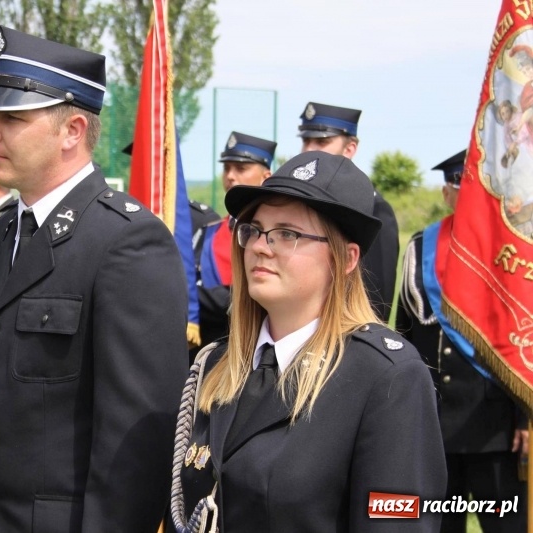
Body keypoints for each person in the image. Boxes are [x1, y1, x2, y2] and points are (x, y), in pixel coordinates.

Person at [0, 24, 189, 532]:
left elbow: (135, 449)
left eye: (11, 117)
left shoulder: (127, 243)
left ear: (73, 131)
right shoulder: (1, 234)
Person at [170, 151, 447, 532]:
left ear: (345, 259)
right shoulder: (215, 365)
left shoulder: (385, 378)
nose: (260, 246)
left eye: (288, 233)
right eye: (254, 229)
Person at [396, 150, 528, 533]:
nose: (467, 192)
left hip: (496, 427)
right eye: (459, 184)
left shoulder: (513, 251)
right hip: (433, 423)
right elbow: (404, 333)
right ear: (446, 193)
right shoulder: (420, 246)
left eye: (476, 184)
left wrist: (526, 418)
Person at [298, 101, 400, 322]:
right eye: (306, 141)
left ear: (349, 149)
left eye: (322, 142)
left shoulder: (375, 211)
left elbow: (375, 303)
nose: (309, 149)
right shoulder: (300, 205)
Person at [194, 132, 276, 354]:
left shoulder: (273, 236)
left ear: (266, 176)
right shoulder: (207, 232)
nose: (230, 176)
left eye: (241, 168)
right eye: (227, 168)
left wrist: (190, 295)